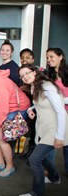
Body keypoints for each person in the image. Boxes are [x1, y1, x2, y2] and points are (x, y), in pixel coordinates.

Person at [18, 64, 68, 196]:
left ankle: (37, 194)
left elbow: (60, 111)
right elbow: (43, 103)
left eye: (27, 73)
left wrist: (59, 136)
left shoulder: (47, 86)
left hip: (56, 128)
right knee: (41, 155)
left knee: (34, 159)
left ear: (34, 72)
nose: (25, 77)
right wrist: (31, 108)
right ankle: (54, 177)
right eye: (22, 76)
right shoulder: (35, 86)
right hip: (45, 127)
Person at [45, 47, 68, 176]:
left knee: (67, 146)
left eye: (51, 57)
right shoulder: (48, 75)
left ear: (60, 57)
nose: (49, 60)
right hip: (54, 114)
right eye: (47, 57)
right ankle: (50, 171)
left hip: (66, 113)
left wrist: (61, 101)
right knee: (51, 143)